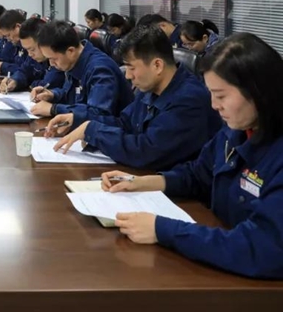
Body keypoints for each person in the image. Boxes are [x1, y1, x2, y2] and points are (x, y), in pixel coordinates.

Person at [101, 33, 283, 279]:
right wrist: (143, 182)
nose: (214, 105)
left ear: (259, 91)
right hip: (223, 259)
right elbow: (199, 174)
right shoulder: (236, 130)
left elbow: (259, 248)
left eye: (221, 96)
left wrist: (162, 229)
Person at [46, 26, 222, 170]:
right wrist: (79, 121)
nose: (128, 76)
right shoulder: (151, 87)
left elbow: (146, 152)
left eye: (131, 68)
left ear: (157, 65)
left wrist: (93, 131)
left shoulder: (189, 100)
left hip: (177, 193)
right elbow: (125, 123)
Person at [30, 21, 134, 122]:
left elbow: (98, 114)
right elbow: (71, 95)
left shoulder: (100, 69)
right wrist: (52, 95)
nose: (51, 64)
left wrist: (54, 109)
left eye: (53, 59)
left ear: (70, 51)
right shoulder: (73, 62)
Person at [0, 17, 65, 93]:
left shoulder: (56, 60)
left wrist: (31, 83)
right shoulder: (34, 56)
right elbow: (24, 71)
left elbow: (47, 84)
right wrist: (15, 80)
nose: (30, 54)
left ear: (44, 43)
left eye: (32, 49)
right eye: (27, 50)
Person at [0, 9, 27, 76]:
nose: (9, 40)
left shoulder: (29, 46)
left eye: (8, 35)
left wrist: (3, 67)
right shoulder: (17, 43)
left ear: (18, 27)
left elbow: (26, 71)